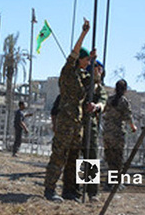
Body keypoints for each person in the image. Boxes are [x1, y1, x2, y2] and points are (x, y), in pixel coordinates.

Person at [43, 18, 92, 203]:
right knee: (59, 155)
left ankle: (72, 191)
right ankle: (49, 189)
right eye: (86, 59)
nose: (88, 63)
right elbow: (73, 53)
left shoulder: (83, 76)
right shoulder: (68, 71)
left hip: (79, 123)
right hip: (66, 122)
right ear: (79, 59)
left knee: (74, 158)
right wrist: (84, 33)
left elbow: (93, 83)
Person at [64, 59, 107, 201]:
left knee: (91, 157)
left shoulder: (99, 87)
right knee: (73, 156)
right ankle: (71, 189)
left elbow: (103, 101)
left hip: (90, 125)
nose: (99, 71)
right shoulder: (81, 81)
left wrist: (96, 106)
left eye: (100, 69)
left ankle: (92, 192)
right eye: (96, 68)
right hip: (76, 124)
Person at [103, 79, 137, 185]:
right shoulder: (123, 101)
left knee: (109, 158)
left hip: (107, 133)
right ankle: (115, 182)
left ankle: (109, 181)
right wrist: (133, 127)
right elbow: (128, 117)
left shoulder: (109, 100)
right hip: (117, 134)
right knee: (118, 159)